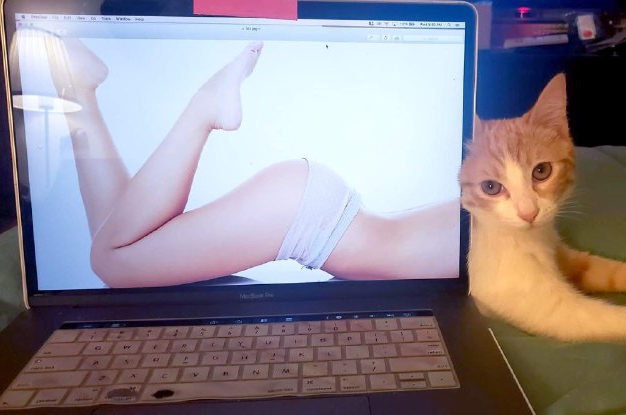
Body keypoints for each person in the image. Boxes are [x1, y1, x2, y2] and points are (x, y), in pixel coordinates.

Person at [48, 38, 460, 288]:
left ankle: (78, 90)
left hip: (313, 208)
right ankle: (204, 107)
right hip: (310, 219)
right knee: (113, 260)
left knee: (123, 259)